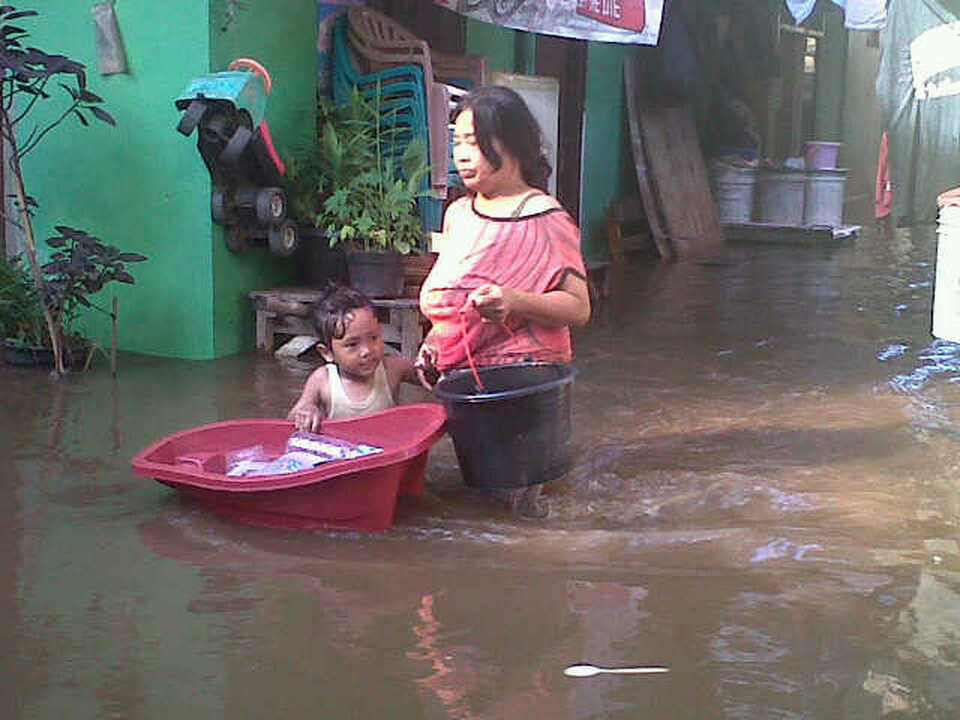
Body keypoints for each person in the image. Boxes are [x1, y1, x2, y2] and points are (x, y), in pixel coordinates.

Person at [415, 85, 591, 515]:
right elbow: (452, 297)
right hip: (466, 388)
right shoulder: (458, 213)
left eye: (473, 143)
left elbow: (579, 307)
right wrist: (434, 346)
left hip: (523, 387)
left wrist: (515, 301)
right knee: (479, 505)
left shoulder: (546, 218)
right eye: (457, 142)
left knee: (513, 515)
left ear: (510, 145)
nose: (461, 155)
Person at [287, 283, 418, 431]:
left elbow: (431, 378)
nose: (367, 351)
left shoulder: (392, 369)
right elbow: (293, 418)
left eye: (373, 337)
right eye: (352, 344)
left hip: (385, 451)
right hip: (341, 451)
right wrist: (307, 410)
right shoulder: (323, 379)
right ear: (327, 353)